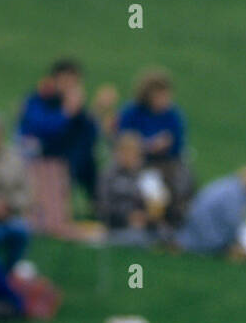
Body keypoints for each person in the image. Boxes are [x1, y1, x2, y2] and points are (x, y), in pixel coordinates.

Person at [16, 59, 116, 201]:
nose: (69, 86)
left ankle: (98, 208)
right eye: (65, 81)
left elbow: (88, 135)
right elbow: (40, 128)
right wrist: (66, 112)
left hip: (75, 159)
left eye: (74, 82)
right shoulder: (38, 99)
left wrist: (98, 112)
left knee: (90, 165)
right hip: (44, 157)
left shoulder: (74, 105)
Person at [117, 69, 194, 223]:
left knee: (180, 181)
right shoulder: (132, 113)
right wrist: (147, 145)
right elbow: (123, 139)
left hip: (166, 163)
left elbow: (178, 144)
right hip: (137, 162)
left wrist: (166, 145)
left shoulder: (173, 115)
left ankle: (172, 219)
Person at [174, 165, 246, 256]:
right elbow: (232, 223)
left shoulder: (230, 185)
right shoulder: (235, 195)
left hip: (193, 228)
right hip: (206, 236)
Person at [96, 132, 169, 241]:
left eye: (131, 152)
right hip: (117, 225)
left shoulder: (148, 176)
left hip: (147, 226)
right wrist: (127, 217)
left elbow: (159, 206)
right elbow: (103, 206)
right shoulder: (109, 176)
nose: (127, 157)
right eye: (124, 152)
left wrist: (147, 217)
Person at [0, 114, 30, 319]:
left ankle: (5, 279)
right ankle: (14, 301)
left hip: (9, 216)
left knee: (21, 232)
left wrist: (8, 206)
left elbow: (26, 193)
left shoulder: (14, 159)